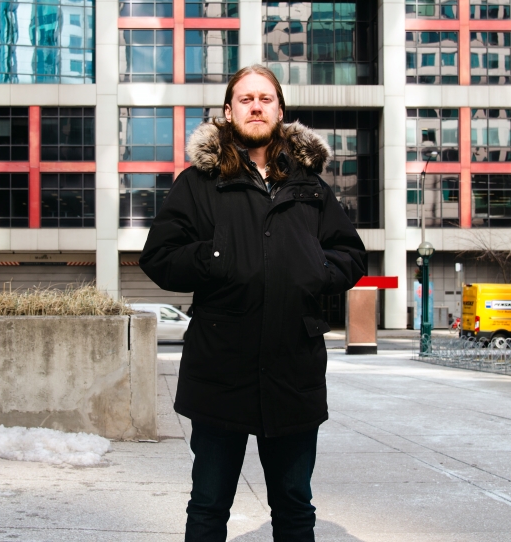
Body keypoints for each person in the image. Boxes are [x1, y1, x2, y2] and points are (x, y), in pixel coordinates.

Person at [139, 65, 367, 542]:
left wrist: (316, 269)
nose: (256, 106)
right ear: (228, 111)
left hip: (293, 372)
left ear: (280, 111)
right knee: (208, 505)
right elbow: (158, 257)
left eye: (266, 98)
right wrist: (216, 257)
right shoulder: (197, 183)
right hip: (220, 369)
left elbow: (351, 255)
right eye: (246, 99)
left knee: (293, 505)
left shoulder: (310, 186)